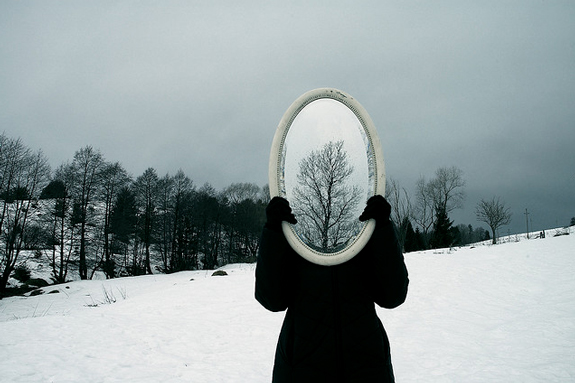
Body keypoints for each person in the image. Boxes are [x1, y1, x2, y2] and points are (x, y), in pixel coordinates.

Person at [255, 195, 409, 383]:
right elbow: (271, 299)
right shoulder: (293, 235)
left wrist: (383, 229)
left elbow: (393, 295)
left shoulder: (363, 233)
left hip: (367, 366)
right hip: (301, 366)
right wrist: (274, 232)